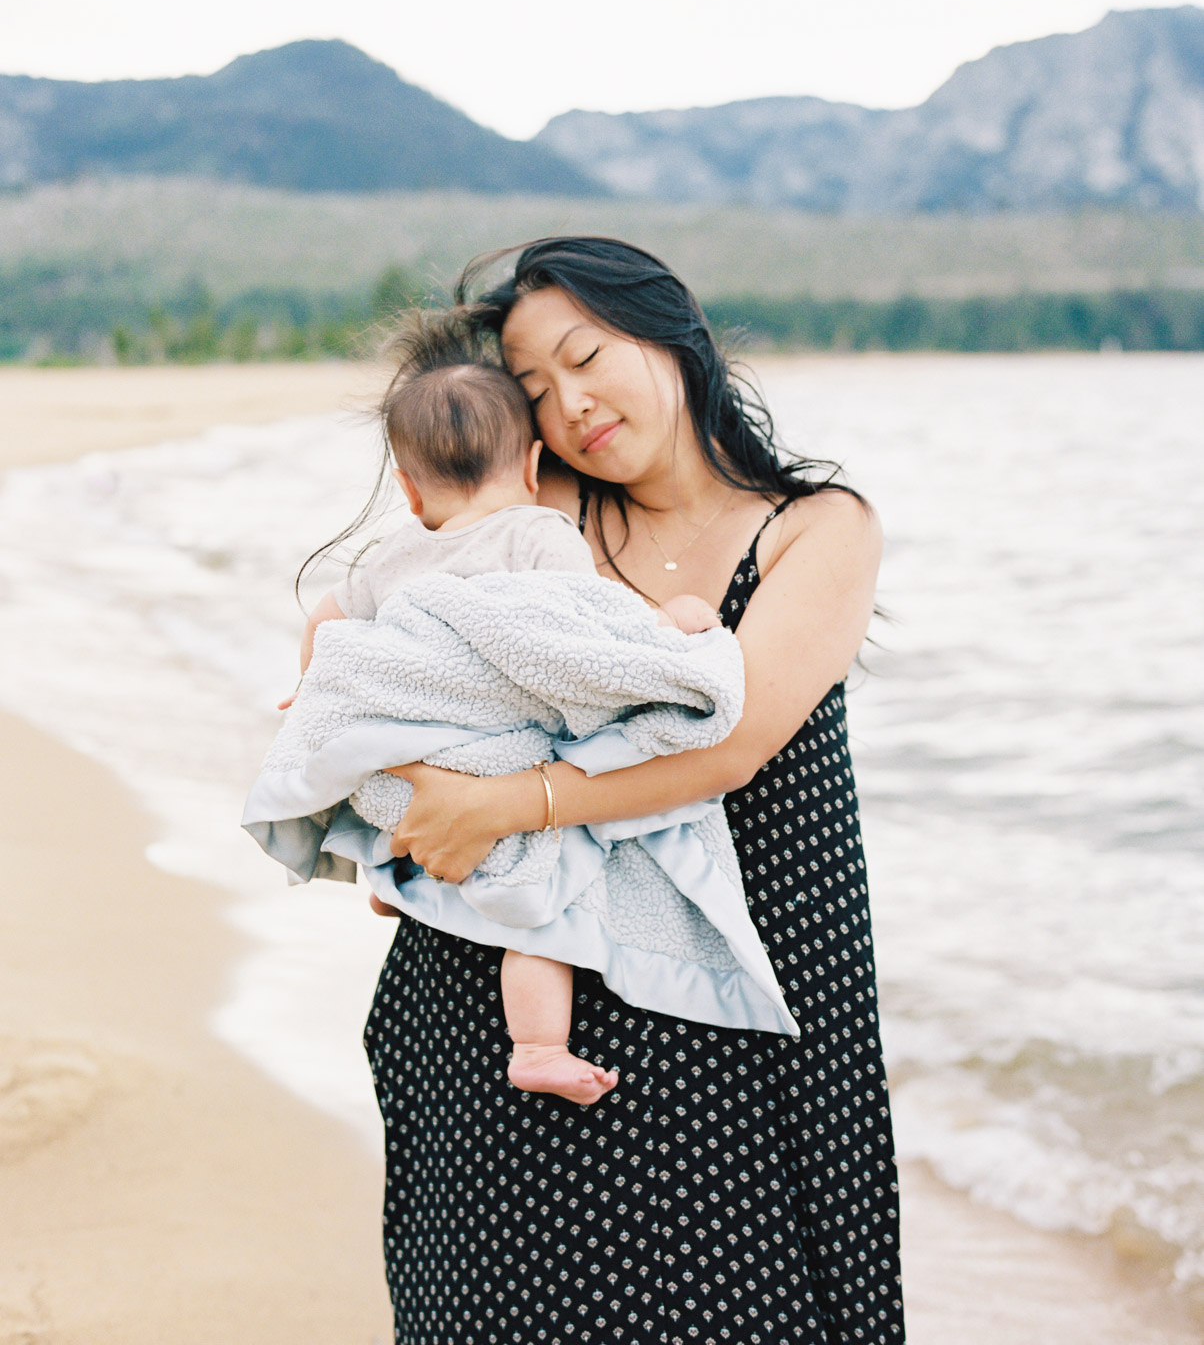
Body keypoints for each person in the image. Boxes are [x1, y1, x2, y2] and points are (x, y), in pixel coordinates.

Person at [366, 237, 904, 1344]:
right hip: (521, 978)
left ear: (668, 330)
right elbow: (402, 634)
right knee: (504, 1304)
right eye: (533, 391)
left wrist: (497, 807)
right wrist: (405, 813)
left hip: (750, 969)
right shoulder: (541, 514)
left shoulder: (813, 524)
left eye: (586, 356)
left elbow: (730, 748)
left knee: (749, 1298)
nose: (570, 405)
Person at [280, 310, 736, 1105]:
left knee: (396, 785)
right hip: (497, 761)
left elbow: (328, 622)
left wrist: (313, 688)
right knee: (548, 899)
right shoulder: (540, 534)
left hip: (409, 766)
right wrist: (677, 626)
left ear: (408, 487)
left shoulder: (394, 552)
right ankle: (537, 1045)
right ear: (532, 462)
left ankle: (392, 878)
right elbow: (586, 640)